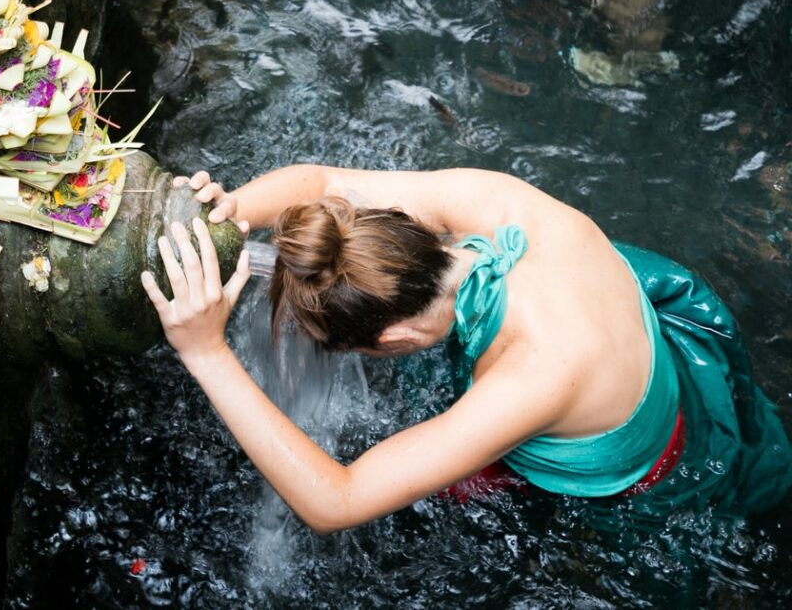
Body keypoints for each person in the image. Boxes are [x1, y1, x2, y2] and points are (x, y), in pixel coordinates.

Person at [140, 165, 792, 534]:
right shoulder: (493, 206)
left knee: (442, 506)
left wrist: (205, 352)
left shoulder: (530, 378)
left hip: (654, 456)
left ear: (393, 340)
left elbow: (334, 501)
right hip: (643, 335)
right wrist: (231, 212)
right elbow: (320, 179)